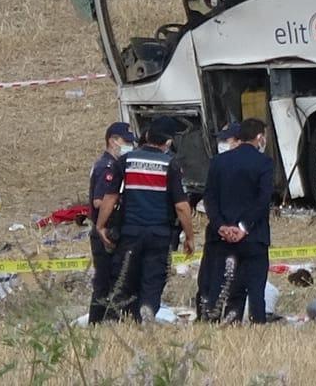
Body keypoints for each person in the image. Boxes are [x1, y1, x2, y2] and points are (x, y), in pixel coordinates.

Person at [96, 116, 195, 323]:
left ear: (147, 135)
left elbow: (111, 197)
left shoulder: (126, 161)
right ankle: (146, 312)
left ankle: (117, 320)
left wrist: (101, 225)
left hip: (130, 233)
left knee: (123, 279)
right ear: (168, 142)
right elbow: (181, 206)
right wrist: (190, 236)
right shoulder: (171, 165)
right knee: (153, 279)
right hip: (159, 235)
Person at [204, 118, 274, 324]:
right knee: (255, 289)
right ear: (260, 137)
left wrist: (221, 226)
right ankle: (257, 324)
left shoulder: (219, 162)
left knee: (218, 285)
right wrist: (244, 226)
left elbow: (209, 198)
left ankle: (212, 323)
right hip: (254, 237)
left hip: (222, 237)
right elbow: (263, 200)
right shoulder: (264, 163)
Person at [85, 121, 134, 324]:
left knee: (115, 280)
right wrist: (119, 200)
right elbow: (100, 200)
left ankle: (109, 321)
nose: (129, 146)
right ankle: (97, 323)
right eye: (126, 142)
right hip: (104, 231)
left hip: (109, 229)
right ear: (113, 141)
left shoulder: (114, 165)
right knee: (104, 282)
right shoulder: (107, 166)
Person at [195, 123, 240, 319]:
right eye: (220, 140)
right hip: (217, 232)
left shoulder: (250, 166)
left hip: (238, 234)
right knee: (207, 278)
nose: (221, 144)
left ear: (238, 141)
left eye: (226, 140)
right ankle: (206, 314)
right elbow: (210, 198)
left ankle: (230, 315)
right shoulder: (216, 164)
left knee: (233, 280)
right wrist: (220, 226)